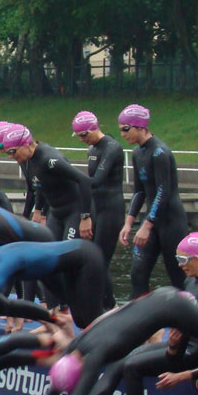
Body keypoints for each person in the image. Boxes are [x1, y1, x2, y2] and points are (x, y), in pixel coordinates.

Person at [6, 286, 198, 395]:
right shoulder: (76, 345)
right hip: (162, 297)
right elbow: (54, 389)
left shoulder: (98, 352)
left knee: (178, 355)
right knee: (154, 358)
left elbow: (81, 393)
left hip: (176, 306)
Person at [117, 103, 188, 296]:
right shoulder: (137, 153)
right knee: (137, 274)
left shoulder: (160, 152)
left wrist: (146, 225)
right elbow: (139, 192)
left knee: (178, 277)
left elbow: (163, 192)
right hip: (153, 221)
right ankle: (146, 324)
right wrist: (128, 223)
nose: (123, 134)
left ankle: (185, 323)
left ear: (140, 127)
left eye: (126, 129)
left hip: (171, 222)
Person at [2, 125, 93, 242]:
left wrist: (85, 217)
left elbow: (84, 180)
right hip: (56, 213)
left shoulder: (49, 159)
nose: (10, 156)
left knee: (67, 255)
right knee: (51, 254)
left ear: (26, 143)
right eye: (7, 153)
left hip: (73, 212)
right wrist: (38, 211)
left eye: (12, 151)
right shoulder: (29, 159)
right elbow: (40, 183)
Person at [71, 110, 124, 308]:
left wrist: (71, 179)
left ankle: (110, 306)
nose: (82, 140)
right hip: (96, 207)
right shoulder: (92, 149)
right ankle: (103, 304)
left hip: (111, 208)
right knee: (91, 259)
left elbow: (97, 181)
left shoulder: (112, 147)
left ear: (94, 128)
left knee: (100, 261)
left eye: (84, 135)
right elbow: (90, 185)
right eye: (78, 137)